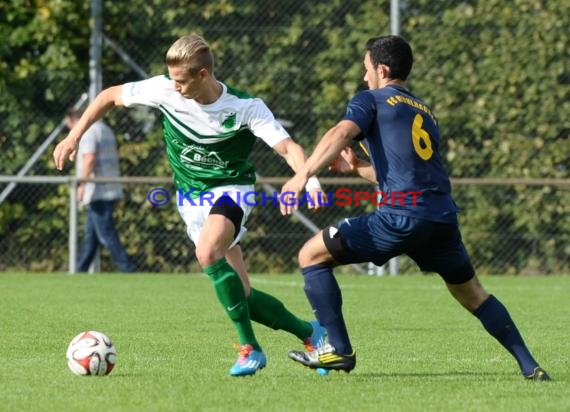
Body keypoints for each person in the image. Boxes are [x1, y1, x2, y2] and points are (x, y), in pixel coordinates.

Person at [280, 35, 550, 381]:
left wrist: (301, 175)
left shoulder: (371, 99)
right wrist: (356, 169)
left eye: (366, 70)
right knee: (474, 295)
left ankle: (339, 349)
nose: (364, 78)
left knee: (311, 255)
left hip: (401, 218)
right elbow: (401, 175)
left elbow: (340, 133)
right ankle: (531, 366)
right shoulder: (423, 110)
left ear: (382, 69)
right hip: (441, 219)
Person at [54, 34, 327, 377]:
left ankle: (250, 349)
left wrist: (309, 179)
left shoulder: (245, 107)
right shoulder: (166, 89)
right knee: (242, 294)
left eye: (182, 80)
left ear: (203, 75)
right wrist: (73, 136)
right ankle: (311, 332)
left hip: (232, 190)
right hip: (190, 199)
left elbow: (288, 148)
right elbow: (109, 96)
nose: (175, 87)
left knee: (207, 252)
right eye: (172, 79)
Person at [65, 108, 135, 273]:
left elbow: (89, 158)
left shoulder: (88, 132)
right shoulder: (104, 129)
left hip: (97, 190)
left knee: (106, 233)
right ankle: (80, 270)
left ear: (73, 120)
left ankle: (127, 268)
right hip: (109, 186)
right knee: (92, 235)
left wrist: (82, 184)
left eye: (69, 125)